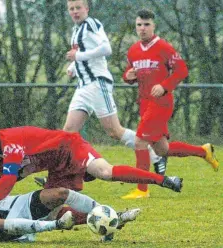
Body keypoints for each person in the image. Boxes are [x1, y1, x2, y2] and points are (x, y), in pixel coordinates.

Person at [0, 119, 183, 241]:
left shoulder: (11, 140)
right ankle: (115, 218)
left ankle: (163, 179)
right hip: (57, 169)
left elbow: (6, 181)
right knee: (56, 214)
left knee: (104, 172)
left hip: (70, 147)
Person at [121, 9, 219, 199]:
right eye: (139, 25)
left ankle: (142, 189)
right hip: (145, 103)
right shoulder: (133, 50)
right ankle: (203, 151)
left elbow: (181, 70)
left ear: (153, 26)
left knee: (140, 141)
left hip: (161, 102)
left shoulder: (164, 47)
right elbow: (129, 74)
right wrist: (127, 77)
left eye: (146, 25)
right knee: (162, 149)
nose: (142, 29)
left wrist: (165, 86)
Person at [64, 0, 167, 174]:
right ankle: (64, 174)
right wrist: (73, 67)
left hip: (97, 84)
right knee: (68, 133)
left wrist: (79, 56)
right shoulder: (76, 30)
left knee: (114, 131)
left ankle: (154, 154)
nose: (75, 12)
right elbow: (86, 55)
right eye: (71, 9)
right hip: (83, 87)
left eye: (78, 8)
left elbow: (106, 48)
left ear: (86, 9)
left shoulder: (92, 24)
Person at [0, 166, 141, 242]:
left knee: (60, 193)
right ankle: (57, 225)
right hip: (3, 229)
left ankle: (114, 218)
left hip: (17, 204)